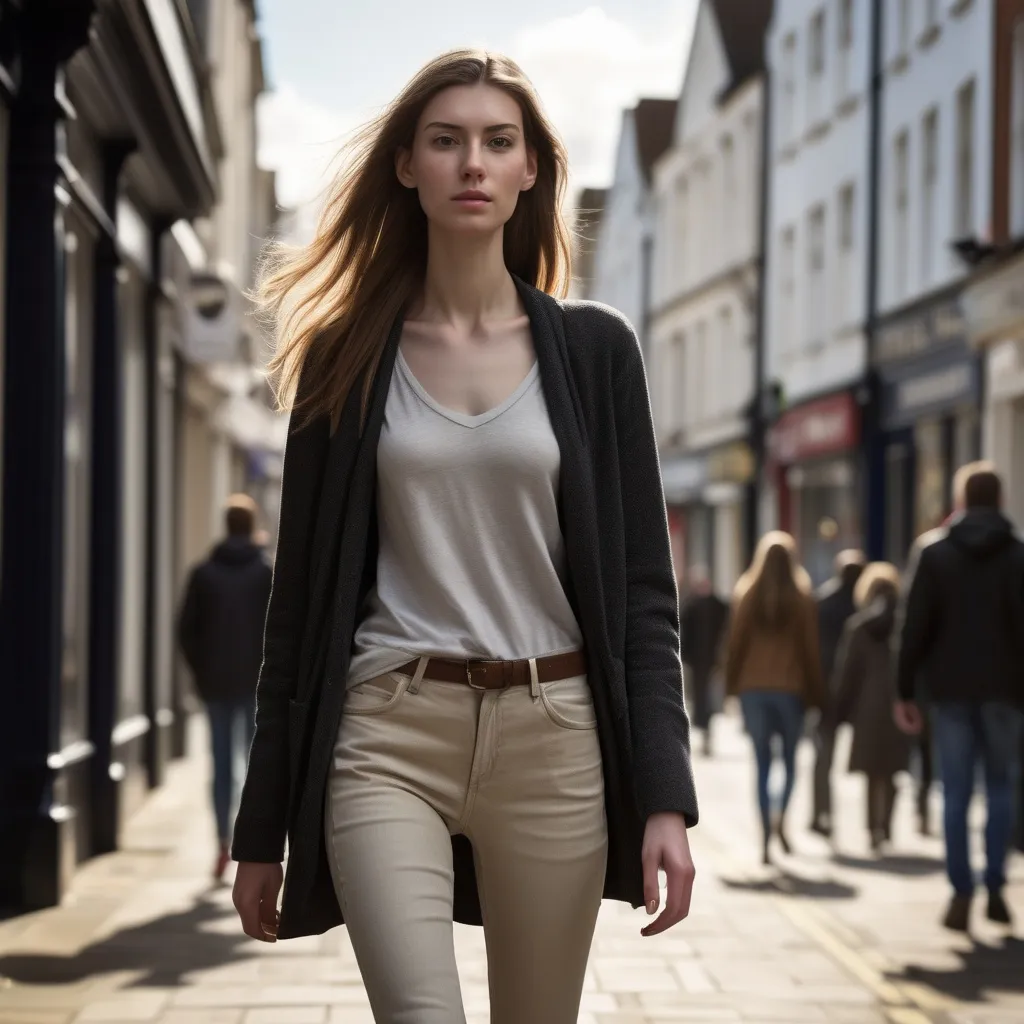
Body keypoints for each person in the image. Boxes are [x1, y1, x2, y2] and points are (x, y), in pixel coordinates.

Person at [228, 50, 698, 1024]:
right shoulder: (345, 355)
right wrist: (261, 826)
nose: (471, 162)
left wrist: (664, 797)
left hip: (555, 737)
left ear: (531, 168)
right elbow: (298, 609)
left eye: (497, 141)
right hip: (388, 733)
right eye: (446, 141)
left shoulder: (594, 352)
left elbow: (645, 598)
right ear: (407, 165)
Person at [894, 462, 1024, 932]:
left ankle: (960, 891)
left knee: (956, 793)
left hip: (949, 693)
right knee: (1002, 789)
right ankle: (995, 884)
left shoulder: (934, 554)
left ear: (962, 501)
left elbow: (913, 628)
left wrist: (905, 690)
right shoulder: (1017, 556)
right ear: (1001, 500)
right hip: (1007, 694)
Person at [178, 494, 273, 881]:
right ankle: (251, 846)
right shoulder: (265, 573)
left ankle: (221, 843)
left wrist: (201, 674)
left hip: (216, 685)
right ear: (251, 528)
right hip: (255, 686)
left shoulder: (203, 573)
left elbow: (186, 632)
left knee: (220, 768)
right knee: (256, 767)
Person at [724, 531, 823, 864]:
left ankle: (766, 835)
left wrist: (730, 686)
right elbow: (811, 650)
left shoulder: (746, 593)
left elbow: (734, 645)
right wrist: (816, 692)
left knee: (762, 764)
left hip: (753, 690)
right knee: (791, 762)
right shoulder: (802, 596)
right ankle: (780, 813)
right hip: (790, 690)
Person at [832, 562, 909, 853]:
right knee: (892, 771)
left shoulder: (859, 627)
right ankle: (887, 826)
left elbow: (847, 672)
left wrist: (840, 710)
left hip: (866, 707)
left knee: (872, 773)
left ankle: (872, 828)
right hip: (899, 704)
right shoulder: (905, 623)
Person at [810, 549, 865, 837]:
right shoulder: (865, 606)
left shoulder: (822, 601)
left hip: (828, 689)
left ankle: (821, 813)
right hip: (860, 691)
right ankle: (877, 823)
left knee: (824, 757)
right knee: (875, 757)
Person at [680, 566, 729, 757]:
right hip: (710, 660)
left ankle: (705, 730)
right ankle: (706, 731)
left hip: (701, 660)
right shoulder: (717, 605)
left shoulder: (691, 605)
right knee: (706, 697)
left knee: (703, 697)